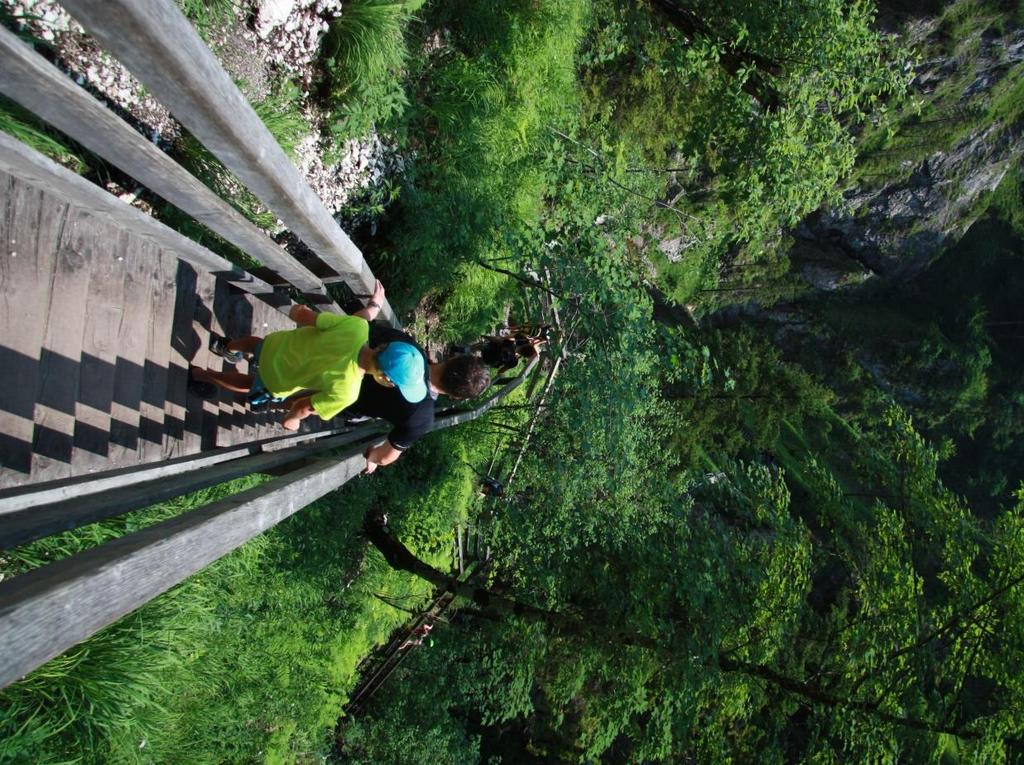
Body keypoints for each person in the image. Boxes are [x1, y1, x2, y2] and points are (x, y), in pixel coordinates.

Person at [189, 281, 427, 433]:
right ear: (384, 378)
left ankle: (228, 346)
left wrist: (374, 305)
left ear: (383, 345)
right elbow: (303, 407)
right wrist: (291, 421)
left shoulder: (357, 329)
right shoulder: (348, 392)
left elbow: (314, 316)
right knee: (250, 384)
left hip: (277, 345)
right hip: (277, 380)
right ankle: (203, 375)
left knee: (256, 344)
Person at [344, 322, 491, 474]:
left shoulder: (409, 348)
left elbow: (368, 329)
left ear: (452, 358)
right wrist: (374, 458)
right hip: (340, 398)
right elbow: (384, 458)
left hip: (339, 345)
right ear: (455, 396)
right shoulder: (422, 418)